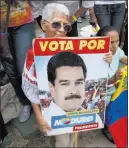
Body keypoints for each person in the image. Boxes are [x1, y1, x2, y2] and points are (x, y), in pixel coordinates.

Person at [22, 3, 112, 147]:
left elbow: (95, 63)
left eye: (67, 26)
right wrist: (39, 117)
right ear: (44, 24)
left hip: (76, 115)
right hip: (55, 115)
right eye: (56, 24)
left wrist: (105, 59)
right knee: (63, 142)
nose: (62, 30)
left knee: (71, 138)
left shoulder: (74, 44)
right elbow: (30, 88)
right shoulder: (34, 53)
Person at [0, 0, 36, 122]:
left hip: (22, 21)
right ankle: (25, 102)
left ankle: (33, 100)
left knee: (23, 66)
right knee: (9, 67)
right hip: (1, 26)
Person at [97, 26, 128, 143]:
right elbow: (100, 83)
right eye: (111, 42)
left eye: (117, 41)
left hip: (113, 89)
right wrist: (114, 76)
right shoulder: (96, 56)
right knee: (106, 110)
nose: (115, 46)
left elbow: (124, 58)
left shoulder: (117, 51)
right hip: (100, 93)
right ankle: (106, 127)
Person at [30, 1, 96, 37]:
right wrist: (37, 18)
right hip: (48, 15)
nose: (61, 30)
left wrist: (72, 20)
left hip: (72, 16)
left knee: (71, 45)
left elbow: (87, 4)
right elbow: (35, 5)